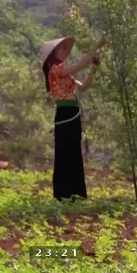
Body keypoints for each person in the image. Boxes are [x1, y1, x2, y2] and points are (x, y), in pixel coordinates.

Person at [40, 36, 106, 201]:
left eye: (64, 48)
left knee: (74, 152)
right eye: (60, 49)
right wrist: (96, 45)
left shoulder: (65, 74)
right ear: (53, 54)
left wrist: (94, 69)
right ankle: (63, 194)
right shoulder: (55, 70)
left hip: (72, 114)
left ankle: (75, 194)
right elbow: (80, 65)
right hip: (64, 115)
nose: (64, 51)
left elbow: (83, 87)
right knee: (64, 152)